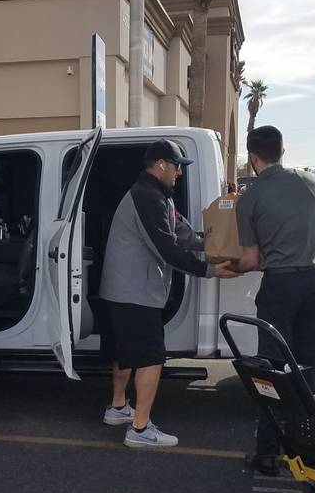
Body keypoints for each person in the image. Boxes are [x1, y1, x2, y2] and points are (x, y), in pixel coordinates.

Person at [100, 139, 239, 448]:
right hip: (134, 292)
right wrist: (212, 270)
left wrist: (215, 245)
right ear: (160, 164)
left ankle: (119, 407)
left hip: (124, 290)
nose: (179, 174)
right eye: (177, 167)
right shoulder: (146, 196)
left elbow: (182, 233)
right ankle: (139, 429)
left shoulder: (158, 195)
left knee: (124, 353)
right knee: (150, 357)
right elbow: (168, 249)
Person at [232, 125, 315, 476]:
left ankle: (267, 454)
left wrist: (222, 267)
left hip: (280, 287)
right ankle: (312, 452)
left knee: (272, 372)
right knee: (310, 368)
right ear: (283, 149)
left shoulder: (250, 198)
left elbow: (250, 260)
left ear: (253, 157)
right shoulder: (308, 180)